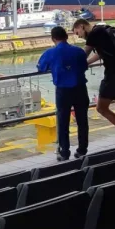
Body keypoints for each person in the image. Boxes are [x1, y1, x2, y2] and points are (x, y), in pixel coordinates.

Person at [73, 18, 115, 148]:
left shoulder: (93, 34)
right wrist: (86, 64)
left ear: (82, 26)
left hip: (113, 74)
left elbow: (83, 54)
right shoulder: (103, 29)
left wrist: (73, 64)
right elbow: (101, 54)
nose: (79, 36)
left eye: (77, 33)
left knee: (101, 108)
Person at [37, 26, 89, 161]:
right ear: (66, 37)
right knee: (82, 120)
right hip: (80, 88)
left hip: (63, 91)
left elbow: (41, 68)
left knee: (63, 121)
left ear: (53, 39)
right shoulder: (79, 51)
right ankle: (82, 149)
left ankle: (65, 151)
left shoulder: (50, 53)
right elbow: (84, 66)